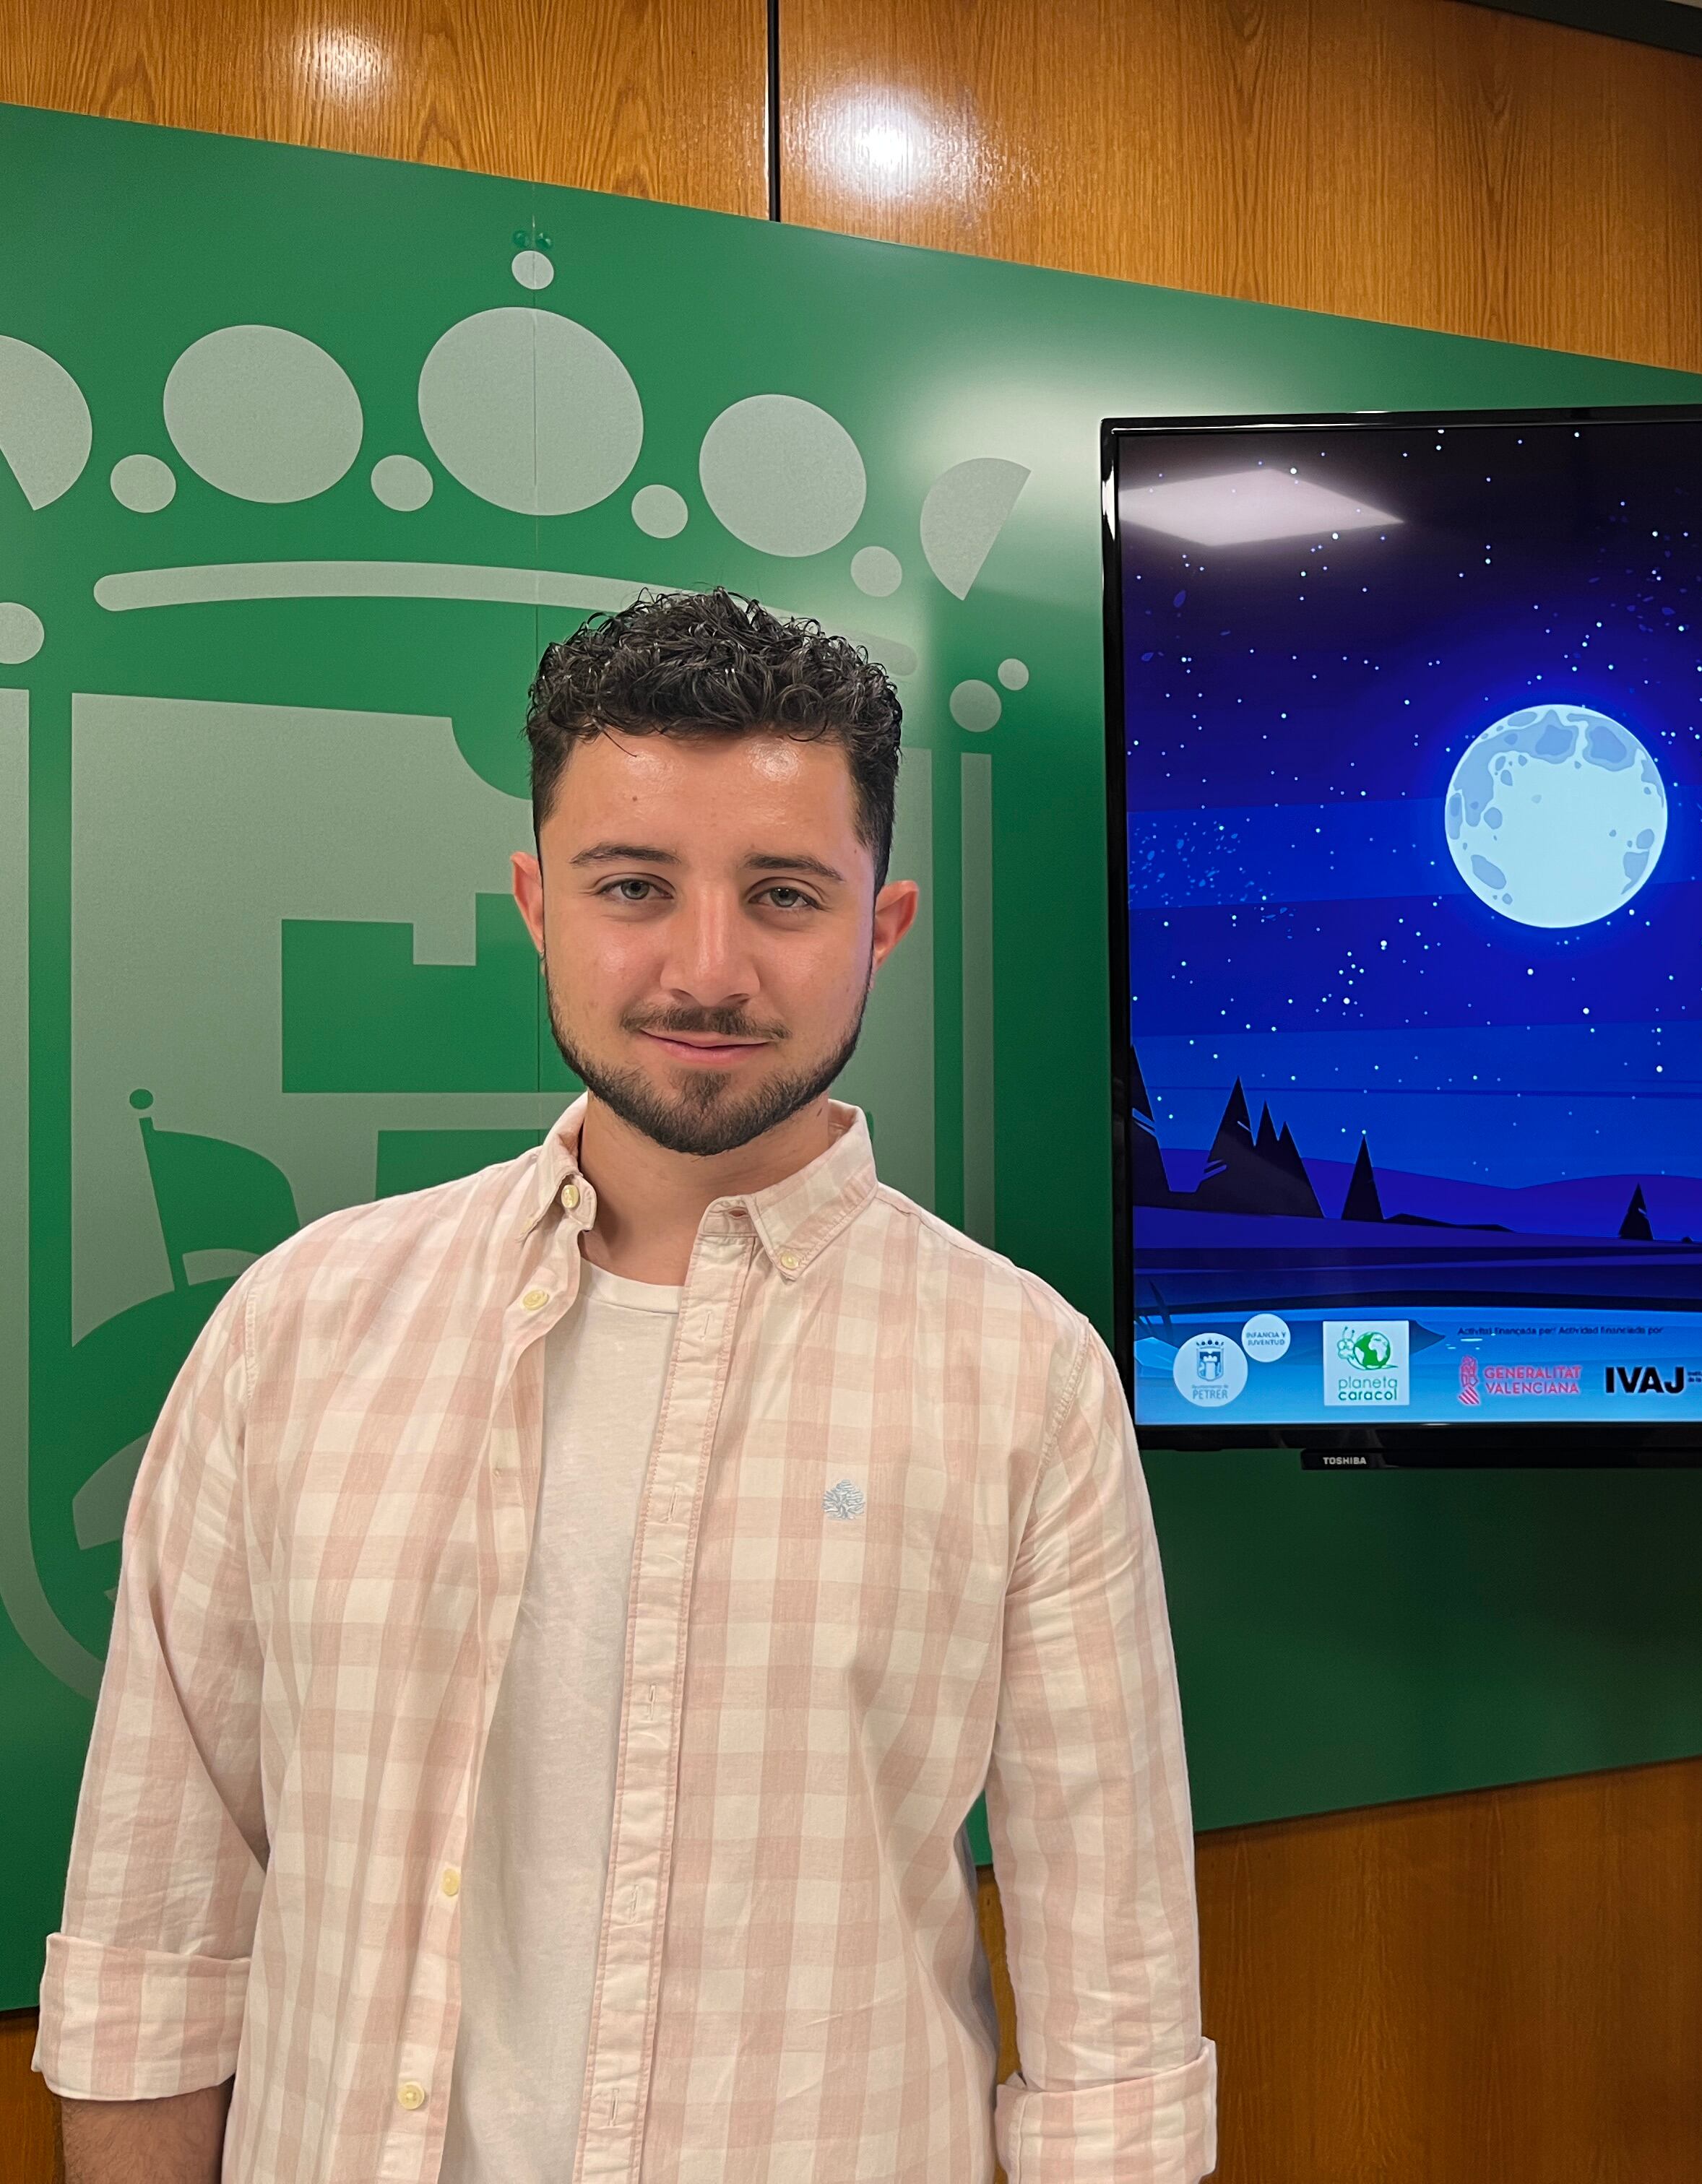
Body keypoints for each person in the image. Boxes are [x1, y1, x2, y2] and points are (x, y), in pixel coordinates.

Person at [41, 592, 1214, 2184]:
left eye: (785, 893)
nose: (706, 968)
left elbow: (1113, 2048)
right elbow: (149, 1947)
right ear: (537, 901)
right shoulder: (297, 1328)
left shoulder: (1026, 1381)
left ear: (885, 921)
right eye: (634, 887)